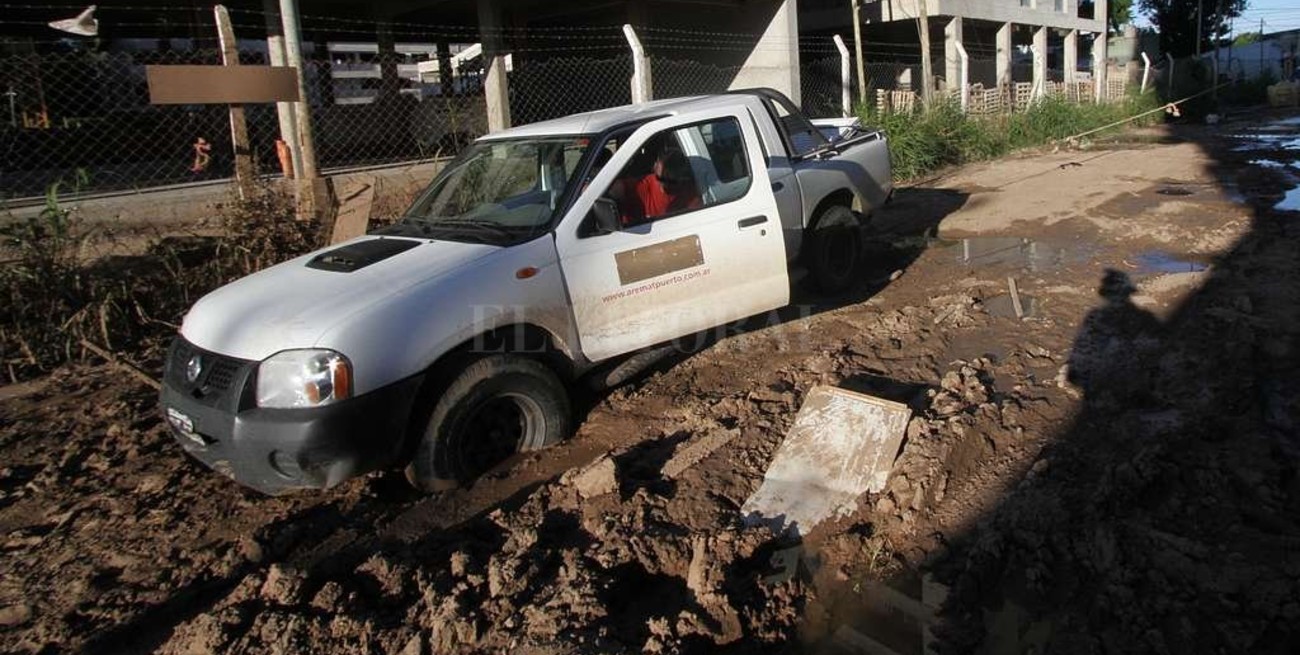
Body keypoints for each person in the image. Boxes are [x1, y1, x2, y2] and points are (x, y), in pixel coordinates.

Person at [610, 144, 702, 226]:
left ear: (680, 179)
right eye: (658, 178)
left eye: (670, 180)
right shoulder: (644, 185)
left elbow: (696, 221)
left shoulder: (690, 193)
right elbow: (616, 188)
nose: (662, 183)